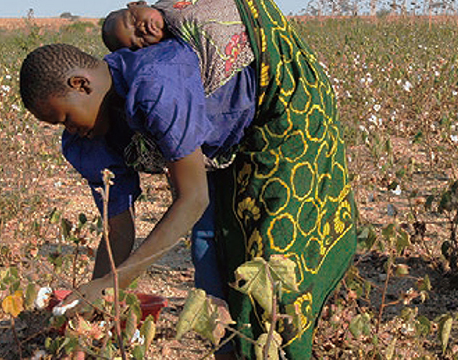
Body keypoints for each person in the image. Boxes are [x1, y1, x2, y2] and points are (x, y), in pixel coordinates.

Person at [19, 0, 357, 358]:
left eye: (66, 118)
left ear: (80, 84)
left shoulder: (155, 83)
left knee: (275, 253)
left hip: (280, 110)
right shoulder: (86, 140)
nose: (69, 130)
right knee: (218, 256)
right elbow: (117, 229)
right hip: (216, 143)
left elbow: (193, 198)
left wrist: (114, 287)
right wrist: (95, 300)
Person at [102, 0, 255, 96]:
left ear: (137, 3)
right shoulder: (178, 54)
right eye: (138, 40)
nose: (142, 29)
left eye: (134, 20)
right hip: (260, 44)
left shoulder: (170, 3)